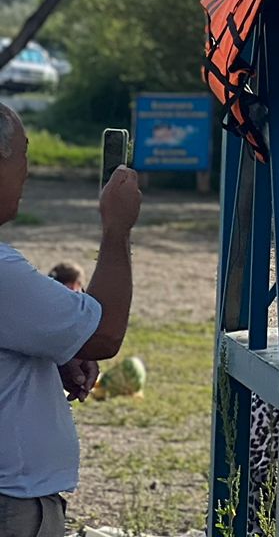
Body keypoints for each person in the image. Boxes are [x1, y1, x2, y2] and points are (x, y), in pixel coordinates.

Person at [0, 103, 141, 537]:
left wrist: (51, 353)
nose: (26, 171)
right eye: (22, 154)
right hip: (12, 503)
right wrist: (116, 231)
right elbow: (103, 335)